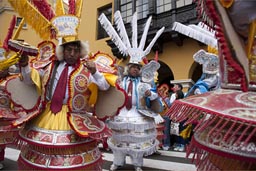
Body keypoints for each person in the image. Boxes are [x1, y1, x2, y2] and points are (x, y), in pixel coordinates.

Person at [16, 38, 111, 170]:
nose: (72, 53)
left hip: (74, 118)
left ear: (80, 53)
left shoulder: (87, 69)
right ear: (62, 51)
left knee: (72, 156)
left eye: (76, 51)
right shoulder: (49, 66)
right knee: (45, 152)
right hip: (47, 115)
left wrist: (95, 72)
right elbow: (29, 81)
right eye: (69, 50)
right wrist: (25, 65)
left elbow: (104, 86)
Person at [98, 10, 165, 171]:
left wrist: (150, 94)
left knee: (137, 142)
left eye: (137, 68)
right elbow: (111, 90)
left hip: (138, 113)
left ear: (140, 70)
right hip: (121, 114)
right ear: (128, 68)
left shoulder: (144, 81)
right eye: (132, 67)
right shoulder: (121, 79)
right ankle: (117, 162)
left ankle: (137, 164)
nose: (135, 70)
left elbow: (154, 94)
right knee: (118, 140)